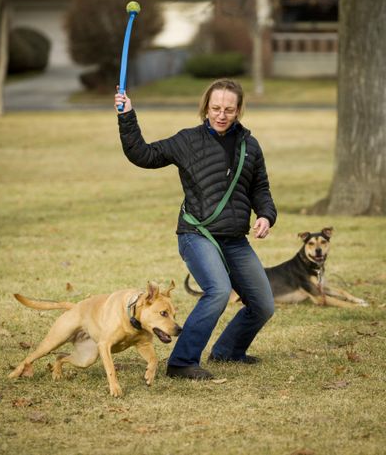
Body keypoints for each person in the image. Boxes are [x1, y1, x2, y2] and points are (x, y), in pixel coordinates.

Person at [115, 78, 276, 380]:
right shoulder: (187, 140)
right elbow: (143, 155)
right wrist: (127, 116)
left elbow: (261, 188)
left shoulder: (249, 146)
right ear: (206, 107)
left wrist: (266, 215)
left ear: (239, 110)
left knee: (264, 304)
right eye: (215, 108)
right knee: (218, 291)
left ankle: (228, 350)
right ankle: (181, 362)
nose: (221, 114)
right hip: (196, 235)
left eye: (229, 109)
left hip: (234, 240)